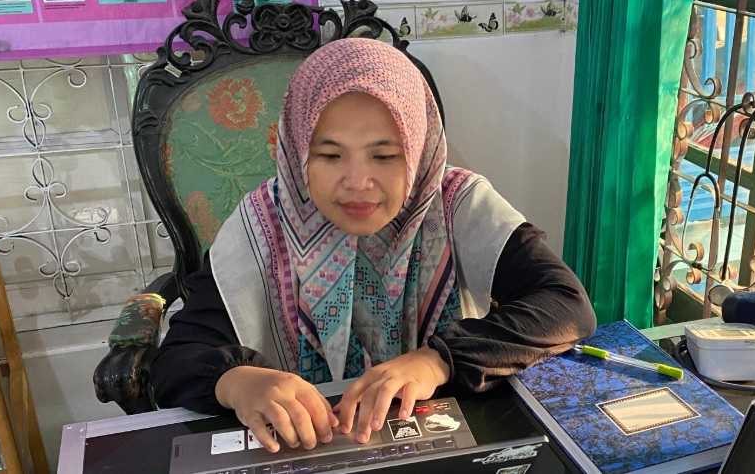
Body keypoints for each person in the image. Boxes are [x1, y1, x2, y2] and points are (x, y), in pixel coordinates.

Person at [149, 38, 597, 453]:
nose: (358, 182)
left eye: (385, 156)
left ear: (418, 150)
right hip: (304, 446)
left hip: (444, 437)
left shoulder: (456, 203)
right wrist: (240, 382)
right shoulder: (262, 223)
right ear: (299, 150)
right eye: (330, 155)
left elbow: (565, 305)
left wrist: (436, 360)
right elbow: (176, 362)